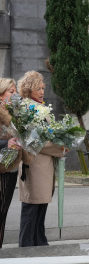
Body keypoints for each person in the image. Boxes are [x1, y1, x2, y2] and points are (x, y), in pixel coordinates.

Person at [17, 71, 67, 247]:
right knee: (32, 207)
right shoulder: (28, 108)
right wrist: (60, 147)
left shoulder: (39, 106)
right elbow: (35, 140)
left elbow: (46, 135)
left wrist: (62, 139)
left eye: (43, 88)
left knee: (40, 207)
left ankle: (38, 243)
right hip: (35, 164)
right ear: (29, 89)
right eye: (38, 88)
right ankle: (27, 247)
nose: (42, 91)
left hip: (44, 165)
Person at [0, 78, 22, 248]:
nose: (15, 95)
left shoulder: (13, 114)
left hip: (10, 169)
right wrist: (5, 144)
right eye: (11, 92)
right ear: (1, 95)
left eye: (16, 92)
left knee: (3, 212)